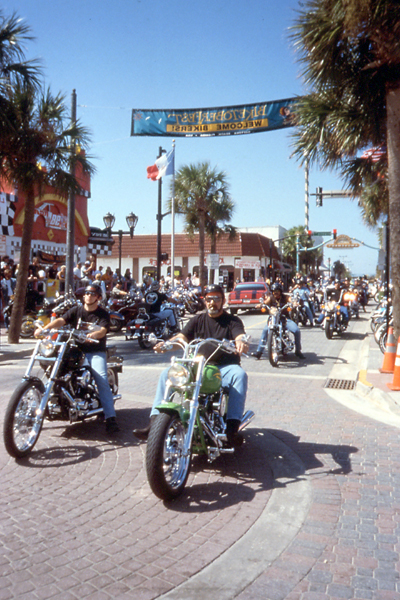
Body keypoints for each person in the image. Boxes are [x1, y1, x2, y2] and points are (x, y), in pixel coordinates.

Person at [133, 284, 249, 445]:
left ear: (223, 300)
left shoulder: (232, 321)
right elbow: (181, 337)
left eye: (216, 298)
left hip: (223, 368)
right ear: (205, 301)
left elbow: (240, 335)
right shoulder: (197, 320)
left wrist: (240, 342)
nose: (212, 302)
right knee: (167, 374)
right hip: (196, 366)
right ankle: (154, 423)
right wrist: (166, 345)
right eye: (209, 299)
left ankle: (232, 428)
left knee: (239, 375)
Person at [34, 282, 120, 434]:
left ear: (98, 297)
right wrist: (45, 329)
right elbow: (61, 320)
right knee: (55, 366)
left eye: (92, 293)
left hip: (95, 351)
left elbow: (103, 330)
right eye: (86, 293)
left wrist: (94, 335)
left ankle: (110, 418)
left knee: (101, 379)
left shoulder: (102, 314)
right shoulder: (77, 310)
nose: (88, 296)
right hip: (76, 349)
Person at [251, 282, 305, 360]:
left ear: (280, 291)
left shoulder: (285, 297)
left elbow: (291, 300)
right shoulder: (271, 298)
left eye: (277, 291)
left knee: (296, 330)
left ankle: (298, 351)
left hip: (284, 319)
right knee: (265, 330)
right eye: (274, 291)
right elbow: (265, 302)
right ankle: (259, 352)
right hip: (273, 319)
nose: (275, 293)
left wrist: (294, 303)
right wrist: (260, 305)